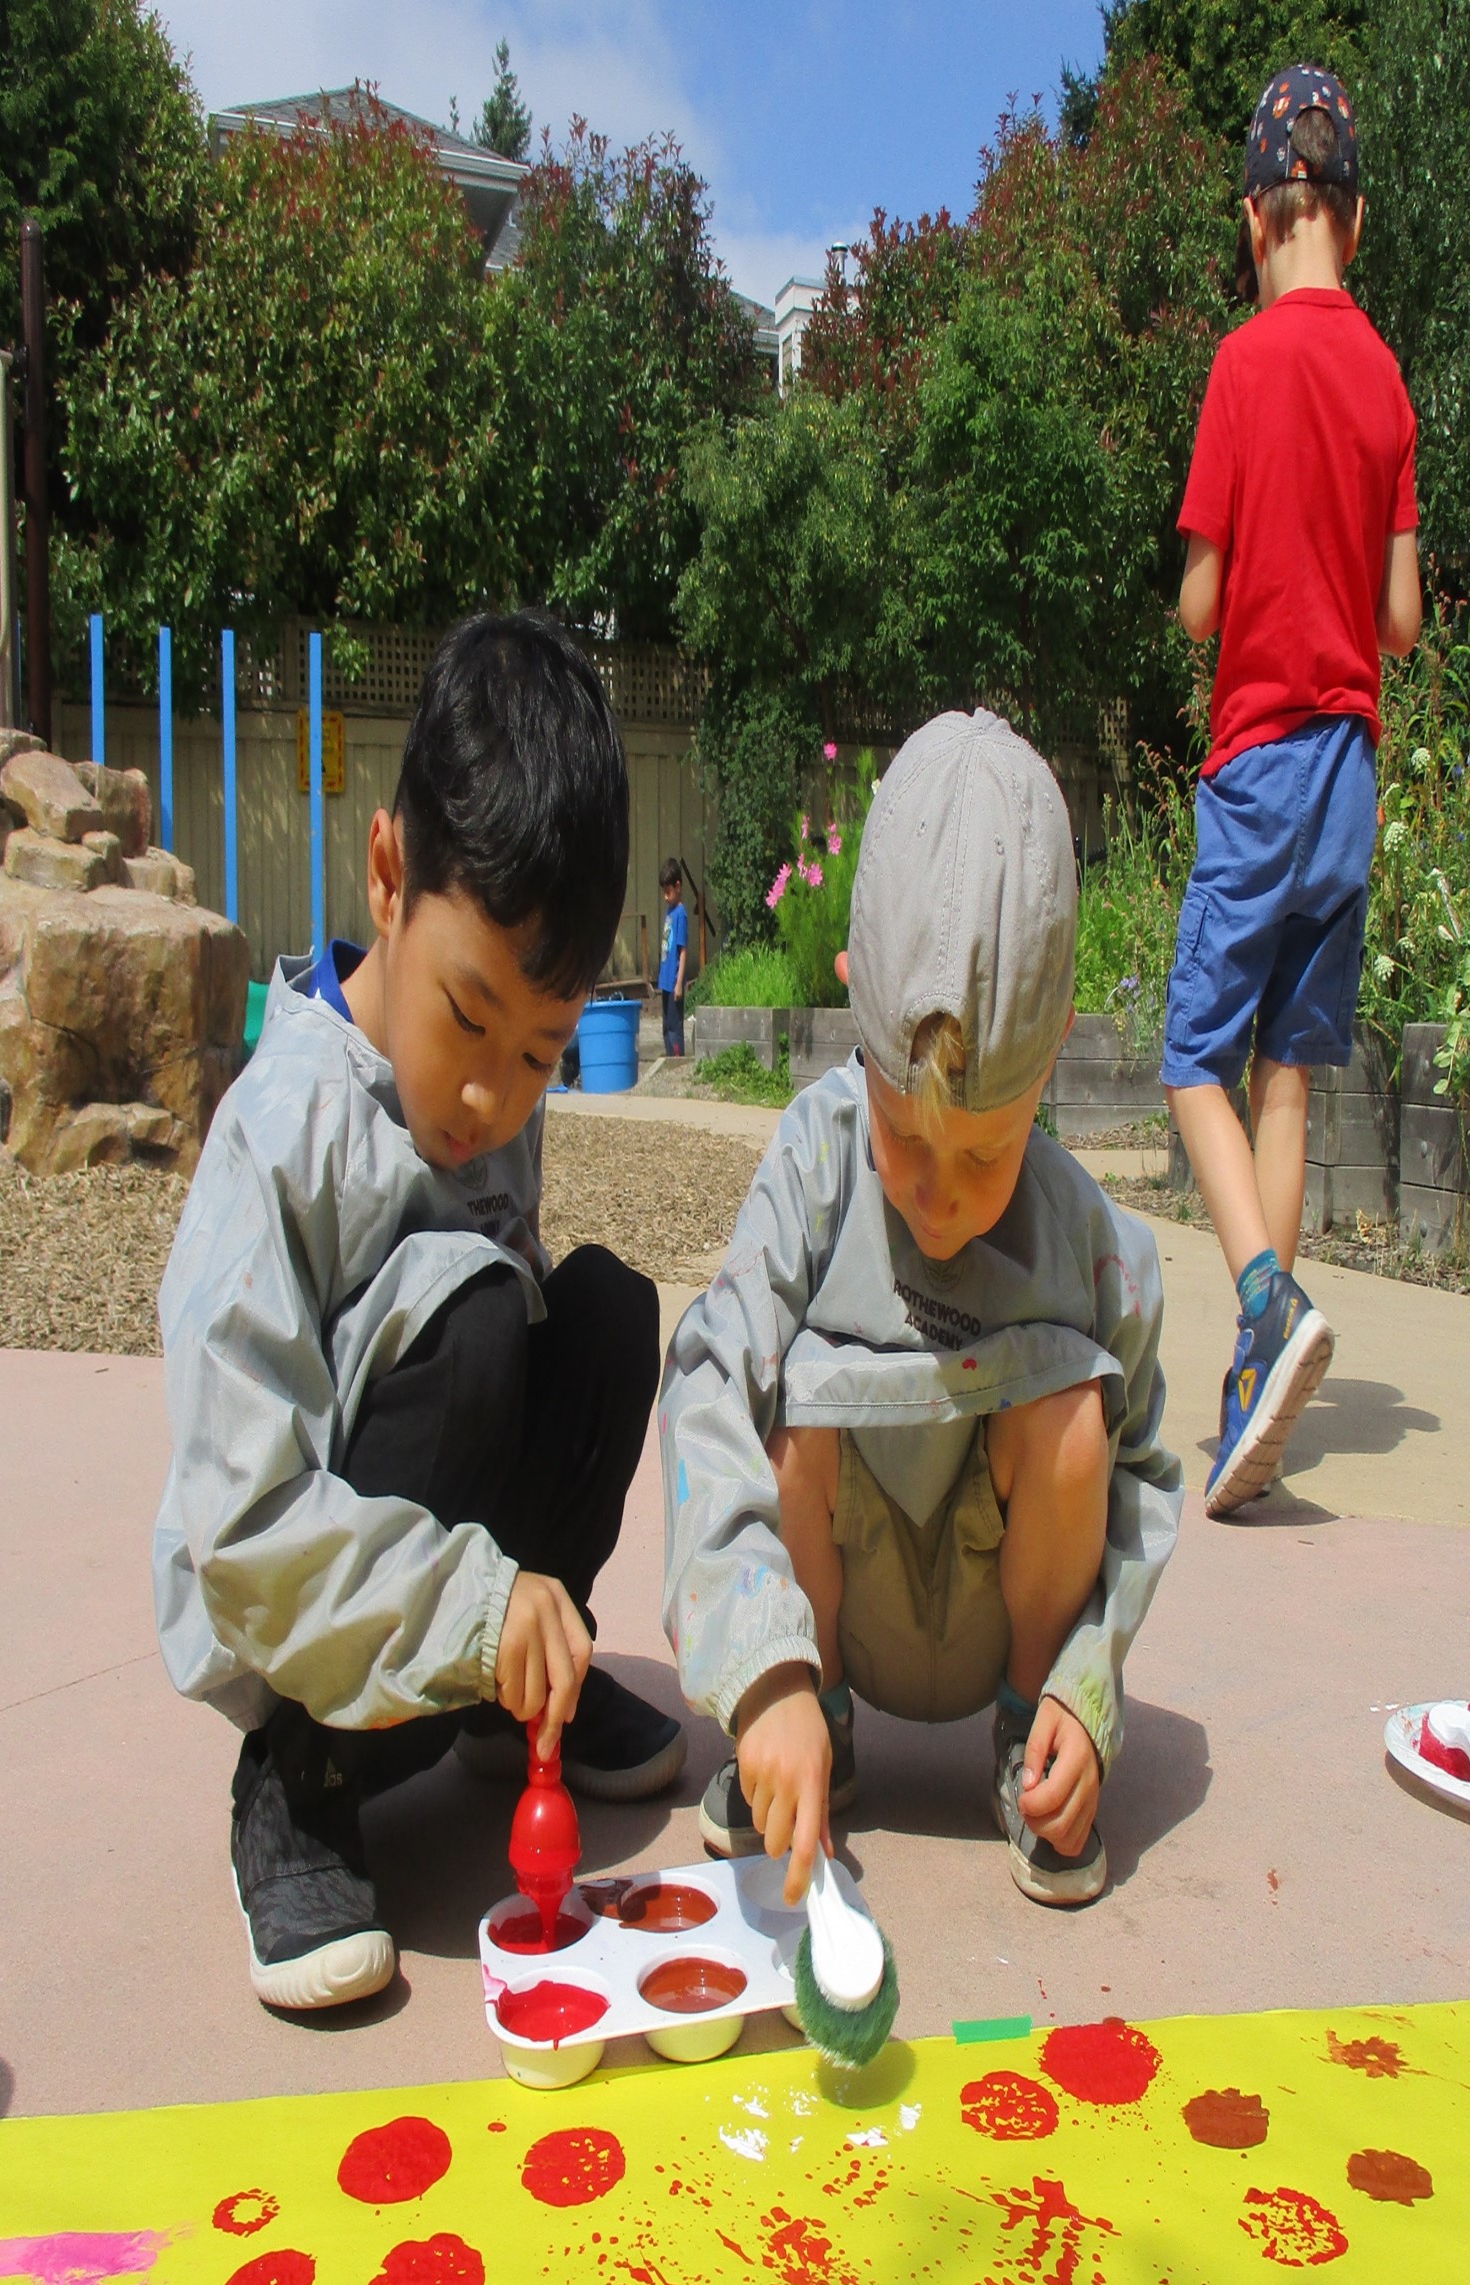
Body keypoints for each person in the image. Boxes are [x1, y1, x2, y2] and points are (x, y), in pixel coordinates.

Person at [154, 612, 685, 2015]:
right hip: (307, 1647)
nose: (492, 1099)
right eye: (469, 1018)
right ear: (389, 874)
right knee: (467, 1325)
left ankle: (522, 1704)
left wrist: (509, 1608)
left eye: (541, 1053)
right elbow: (243, 1526)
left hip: (445, 1603)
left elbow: (517, 1364)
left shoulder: (488, 1097)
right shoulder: (280, 1134)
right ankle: (297, 1789)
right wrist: (468, 1597)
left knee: (602, 1314)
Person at [660, 709, 1182, 1910]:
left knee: (1075, 1422)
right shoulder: (811, 1164)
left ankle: (1028, 1749)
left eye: (987, 1158)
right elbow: (704, 1387)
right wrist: (760, 1671)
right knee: (780, 1409)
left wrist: (1087, 1691)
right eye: (904, 1139)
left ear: (1052, 1057)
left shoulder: (1091, 1244)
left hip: (1009, 1626)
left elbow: (1147, 1482)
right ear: (854, 1016)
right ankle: (813, 1736)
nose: (941, 1199)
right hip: (837, 1617)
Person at [1166, 63, 1422, 1519]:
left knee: (1191, 1050)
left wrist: (1217, 569)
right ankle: (1254, 1382)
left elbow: (1202, 601)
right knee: (1287, 1067)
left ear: (1254, 220)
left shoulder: (1240, 366)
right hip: (1349, 779)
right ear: (1354, 219)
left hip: (1258, 760)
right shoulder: (1383, 378)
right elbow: (1396, 619)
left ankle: (1264, 1301)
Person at [657, 857, 689, 1059]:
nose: (666, 897)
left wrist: (679, 983)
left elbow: (682, 950)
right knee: (666, 1025)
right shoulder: (670, 911)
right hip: (665, 980)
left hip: (674, 982)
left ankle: (677, 1059)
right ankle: (669, 1057)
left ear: (678, 887)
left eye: (668, 892)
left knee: (675, 1025)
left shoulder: (681, 914)